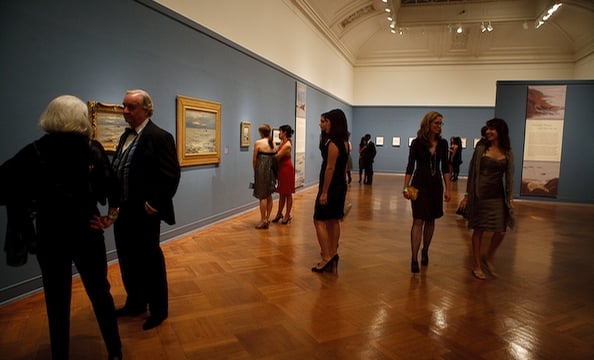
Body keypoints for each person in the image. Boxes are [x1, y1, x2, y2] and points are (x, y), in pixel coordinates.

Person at [0, 95, 123, 359]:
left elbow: (3, 186)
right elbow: (115, 189)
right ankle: (115, 352)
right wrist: (109, 219)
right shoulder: (92, 150)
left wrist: (28, 205)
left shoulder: (33, 151)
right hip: (87, 233)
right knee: (100, 293)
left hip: (50, 235)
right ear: (80, 119)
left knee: (56, 301)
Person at [112, 89, 181, 331]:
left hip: (144, 212)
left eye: (131, 107)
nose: (125, 112)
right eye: (124, 106)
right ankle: (136, 302)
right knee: (127, 259)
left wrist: (154, 203)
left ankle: (158, 309)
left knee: (149, 260)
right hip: (123, 210)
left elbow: (171, 175)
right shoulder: (125, 136)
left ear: (146, 110)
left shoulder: (160, 137)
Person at [458, 118, 514, 280]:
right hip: (479, 195)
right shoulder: (481, 148)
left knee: (501, 230)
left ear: (500, 132)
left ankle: (488, 257)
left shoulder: (507, 152)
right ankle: (476, 264)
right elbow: (472, 172)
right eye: (488, 128)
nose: (488, 131)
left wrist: (510, 199)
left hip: (497, 195)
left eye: (492, 129)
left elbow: (509, 177)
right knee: (479, 229)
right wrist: (467, 195)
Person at [403, 111, 451, 274]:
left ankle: (425, 250)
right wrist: (405, 187)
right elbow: (410, 166)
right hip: (418, 184)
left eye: (440, 123)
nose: (439, 126)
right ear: (428, 124)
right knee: (418, 220)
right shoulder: (417, 143)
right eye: (436, 123)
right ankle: (414, 257)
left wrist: (448, 189)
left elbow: (445, 167)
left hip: (435, 185)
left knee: (431, 220)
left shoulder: (443, 144)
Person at [312, 109, 349, 272]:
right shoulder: (345, 142)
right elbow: (343, 167)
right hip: (339, 185)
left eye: (326, 121)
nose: (323, 124)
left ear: (334, 123)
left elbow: (330, 168)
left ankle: (326, 256)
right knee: (333, 220)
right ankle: (333, 253)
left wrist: (324, 192)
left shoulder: (333, 143)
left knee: (318, 220)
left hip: (331, 186)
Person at [252, 123, 277, 229]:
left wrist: (255, 171)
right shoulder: (273, 143)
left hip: (261, 170)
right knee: (269, 195)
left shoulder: (258, 143)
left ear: (261, 132)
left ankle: (263, 220)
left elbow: (254, 159)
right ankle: (267, 218)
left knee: (262, 196)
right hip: (272, 171)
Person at [271, 124, 295, 225]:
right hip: (282, 170)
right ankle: (279, 213)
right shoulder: (283, 143)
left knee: (288, 194)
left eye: (280, 131)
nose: (279, 133)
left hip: (287, 171)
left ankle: (287, 215)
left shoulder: (287, 145)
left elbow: (277, 157)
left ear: (285, 132)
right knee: (282, 193)